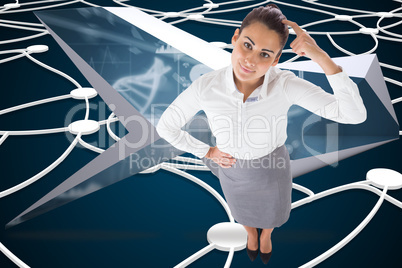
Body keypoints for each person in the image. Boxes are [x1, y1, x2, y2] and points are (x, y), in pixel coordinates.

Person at [156, 4, 367, 265]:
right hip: (231, 168)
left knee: (273, 213)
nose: (251, 60)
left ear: (276, 59)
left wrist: (321, 56)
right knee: (241, 210)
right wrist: (206, 151)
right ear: (235, 38)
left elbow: (353, 115)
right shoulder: (206, 86)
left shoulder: (285, 85)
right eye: (248, 45)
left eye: (265, 54)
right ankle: (250, 234)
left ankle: (265, 235)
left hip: (271, 168)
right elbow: (165, 125)